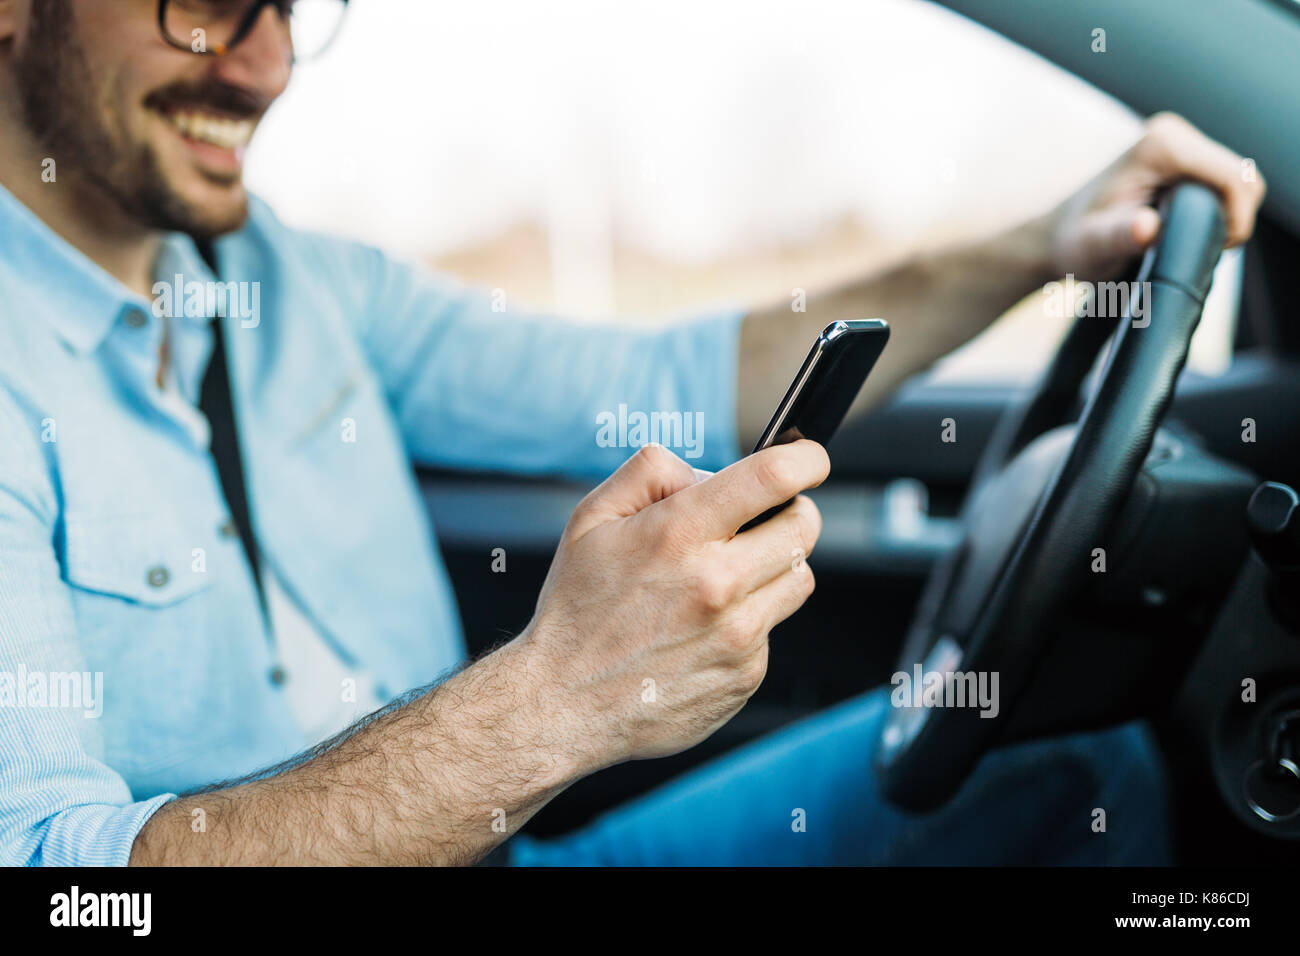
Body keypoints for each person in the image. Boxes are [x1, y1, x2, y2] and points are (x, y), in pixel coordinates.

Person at [0, 0, 1265, 866]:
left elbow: (663, 379)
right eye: (198, 4)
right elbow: (71, 882)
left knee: (1080, 762)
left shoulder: (291, 278)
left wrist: (1039, 247)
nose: (262, 64)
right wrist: (557, 694)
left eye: (283, 8)